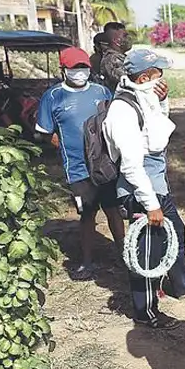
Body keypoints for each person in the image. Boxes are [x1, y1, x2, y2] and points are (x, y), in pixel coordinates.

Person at [102, 48, 185, 329]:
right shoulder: (123, 110)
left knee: (175, 232)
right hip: (141, 190)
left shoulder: (143, 96)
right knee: (147, 252)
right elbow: (131, 166)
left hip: (155, 184)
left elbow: (157, 130)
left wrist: (163, 100)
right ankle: (145, 311)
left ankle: (178, 284)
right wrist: (150, 204)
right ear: (144, 76)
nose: (162, 78)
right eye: (159, 74)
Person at [35, 47, 124, 280]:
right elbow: (45, 132)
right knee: (87, 214)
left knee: (113, 209)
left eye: (83, 67)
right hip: (77, 168)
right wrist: (64, 146)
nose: (80, 72)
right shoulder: (53, 97)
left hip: (105, 164)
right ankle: (87, 261)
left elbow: (114, 121)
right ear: (63, 70)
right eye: (75, 68)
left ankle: (124, 254)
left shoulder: (102, 92)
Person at [99, 21, 132, 92]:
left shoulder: (120, 57)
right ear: (115, 40)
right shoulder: (112, 59)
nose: (128, 38)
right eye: (125, 36)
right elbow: (128, 81)